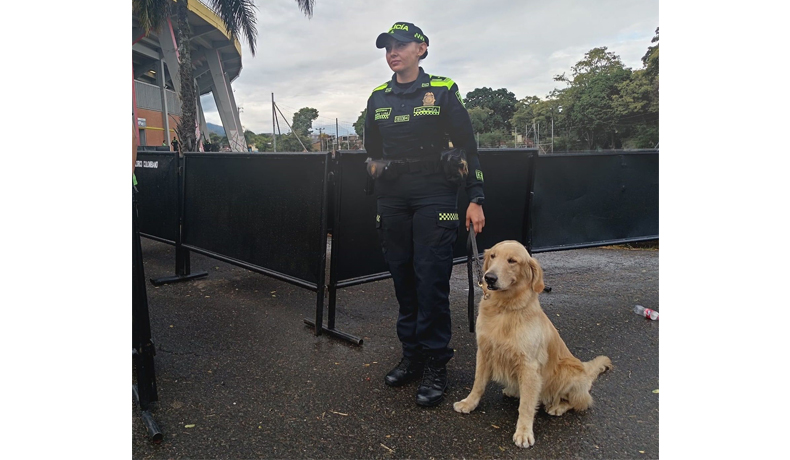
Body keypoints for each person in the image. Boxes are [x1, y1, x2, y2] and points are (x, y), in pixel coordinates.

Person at [364, 21, 485, 407]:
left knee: (430, 279)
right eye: (387, 47)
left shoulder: (443, 90)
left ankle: (436, 363)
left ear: (422, 49)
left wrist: (475, 198)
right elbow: (372, 148)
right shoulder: (377, 97)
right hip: (393, 196)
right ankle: (412, 356)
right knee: (402, 278)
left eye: (401, 45)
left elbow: (469, 148)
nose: (392, 52)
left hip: (435, 191)